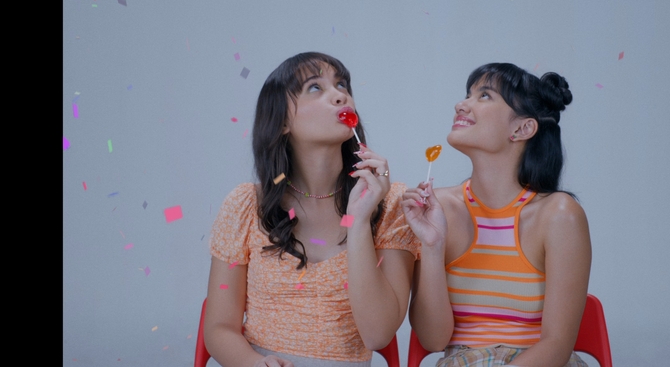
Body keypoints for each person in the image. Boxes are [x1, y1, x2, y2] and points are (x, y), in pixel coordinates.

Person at [205, 52, 418, 367]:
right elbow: (218, 328)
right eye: (315, 87)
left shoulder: (390, 202)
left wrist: (359, 220)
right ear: (282, 122)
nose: (340, 95)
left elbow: (378, 335)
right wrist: (254, 364)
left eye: (342, 85)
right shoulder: (245, 204)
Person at [402, 63, 591, 367]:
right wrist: (432, 246)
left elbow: (557, 345)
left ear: (522, 129)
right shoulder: (438, 209)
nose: (461, 104)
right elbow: (433, 340)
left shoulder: (559, 215)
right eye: (468, 94)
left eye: (485, 95)